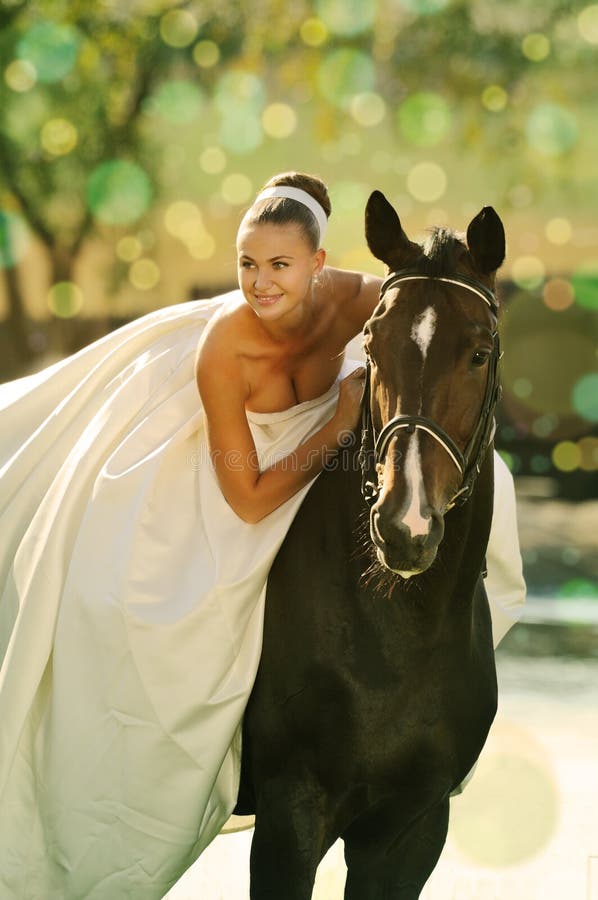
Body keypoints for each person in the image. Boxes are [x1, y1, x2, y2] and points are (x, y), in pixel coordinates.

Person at [0, 171, 525, 899]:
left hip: (351, 432)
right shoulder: (226, 346)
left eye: (279, 265)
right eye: (247, 264)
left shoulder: (370, 302)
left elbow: (427, 334)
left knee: (475, 462)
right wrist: (341, 427)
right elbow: (244, 499)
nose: (260, 282)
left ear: (319, 264)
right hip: (245, 472)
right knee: (158, 611)